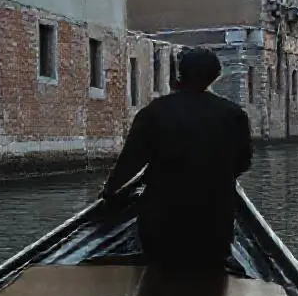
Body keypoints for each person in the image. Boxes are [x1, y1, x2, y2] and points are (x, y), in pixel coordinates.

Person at [98, 46, 253, 271]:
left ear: (180, 73)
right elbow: (243, 163)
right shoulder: (234, 115)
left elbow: (129, 164)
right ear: (215, 76)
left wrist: (108, 194)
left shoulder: (153, 112)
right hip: (213, 227)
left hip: (161, 227)